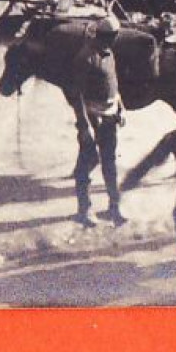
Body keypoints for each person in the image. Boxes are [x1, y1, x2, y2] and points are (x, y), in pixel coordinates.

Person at [72, 17, 125, 226]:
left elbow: (113, 83)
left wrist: (121, 108)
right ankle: (84, 210)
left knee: (110, 162)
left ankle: (114, 207)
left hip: (110, 116)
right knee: (86, 163)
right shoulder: (85, 58)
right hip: (92, 118)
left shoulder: (109, 54)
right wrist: (84, 126)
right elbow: (76, 95)